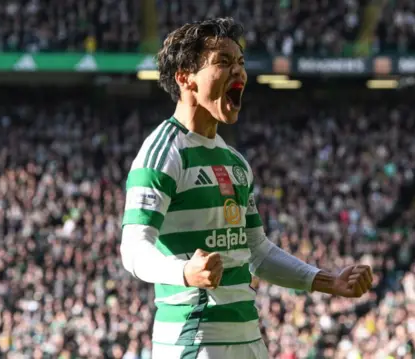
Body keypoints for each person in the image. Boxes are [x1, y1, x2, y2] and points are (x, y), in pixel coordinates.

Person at [120, 17, 374, 359]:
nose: (239, 72)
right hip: (194, 343)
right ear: (185, 77)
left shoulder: (235, 162)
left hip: (249, 341)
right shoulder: (163, 154)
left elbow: (257, 252)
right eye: (223, 62)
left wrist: (330, 282)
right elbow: (133, 249)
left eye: (240, 63)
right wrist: (182, 272)